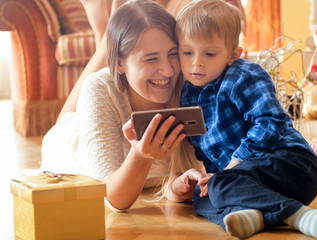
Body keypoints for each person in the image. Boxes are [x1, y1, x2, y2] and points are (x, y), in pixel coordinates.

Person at [174, 0, 317, 239]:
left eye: (209, 53)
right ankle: (252, 216)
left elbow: (272, 122)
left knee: (219, 184)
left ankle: (297, 215)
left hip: (291, 164)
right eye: (187, 52)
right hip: (247, 183)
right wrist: (214, 178)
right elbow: (210, 157)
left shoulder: (243, 74)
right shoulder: (187, 95)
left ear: (233, 54)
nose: (196, 62)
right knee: (202, 195)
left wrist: (234, 164)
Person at [41, 0, 204, 211]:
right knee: (66, 120)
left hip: (115, 86)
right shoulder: (100, 89)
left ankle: (107, 29)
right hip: (70, 145)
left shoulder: (189, 83)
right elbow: (113, 199)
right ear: (119, 62)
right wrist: (141, 156)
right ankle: (104, 35)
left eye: (173, 54)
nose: (168, 70)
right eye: (151, 59)